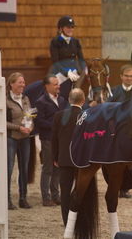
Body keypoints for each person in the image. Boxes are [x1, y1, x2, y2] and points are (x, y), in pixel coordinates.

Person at [51, 88, 85, 226]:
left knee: (64, 192)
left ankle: (67, 222)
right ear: (83, 100)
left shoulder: (59, 115)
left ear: (69, 100)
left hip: (64, 159)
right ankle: (81, 219)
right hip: (82, 161)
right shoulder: (86, 115)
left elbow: (54, 139)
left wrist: (55, 157)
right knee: (82, 191)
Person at [35, 75, 68, 207]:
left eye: (58, 84)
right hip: (48, 139)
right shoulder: (40, 102)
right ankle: (46, 197)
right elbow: (39, 121)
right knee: (48, 168)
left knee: (57, 168)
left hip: (60, 139)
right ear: (47, 86)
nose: (58, 86)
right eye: (55, 84)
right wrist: (55, 125)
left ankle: (56, 195)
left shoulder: (62, 100)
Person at [107, 64, 132, 199]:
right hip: (117, 133)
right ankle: (115, 187)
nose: (129, 78)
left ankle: (126, 188)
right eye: (126, 76)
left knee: (131, 161)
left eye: (131, 76)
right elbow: (108, 111)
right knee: (116, 162)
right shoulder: (113, 92)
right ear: (121, 77)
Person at [6, 72, 34, 210]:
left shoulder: (26, 99)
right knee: (9, 169)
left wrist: (30, 126)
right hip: (11, 138)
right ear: (11, 84)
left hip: (25, 139)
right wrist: (19, 128)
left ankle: (23, 198)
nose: (23, 85)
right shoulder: (5, 100)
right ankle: (7, 200)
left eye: (23, 82)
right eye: (20, 82)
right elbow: (3, 122)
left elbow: (29, 116)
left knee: (24, 169)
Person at [49, 16, 85, 99]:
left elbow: (81, 59)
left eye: (72, 27)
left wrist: (83, 69)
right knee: (54, 91)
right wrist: (66, 72)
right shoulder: (55, 41)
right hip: (60, 73)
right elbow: (55, 62)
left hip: (74, 73)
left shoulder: (75, 41)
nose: (71, 29)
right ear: (61, 28)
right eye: (68, 27)